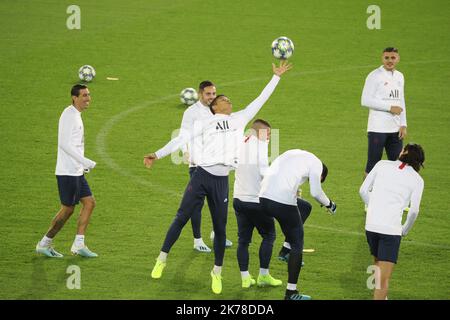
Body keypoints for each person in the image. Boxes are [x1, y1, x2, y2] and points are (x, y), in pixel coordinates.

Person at [144, 60, 292, 294]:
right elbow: (181, 139)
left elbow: (261, 99)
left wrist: (276, 77)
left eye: (228, 99)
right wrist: (158, 154)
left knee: (220, 229)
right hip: (201, 176)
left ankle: (217, 272)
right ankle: (161, 259)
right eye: (224, 99)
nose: (229, 101)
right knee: (181, 217)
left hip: (221, 181)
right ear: (215, 106)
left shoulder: (239, 118)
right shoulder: (205, 121)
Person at [259, 149, 336, 300]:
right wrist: (330, 204)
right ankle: (291, 293)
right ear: (322, 174)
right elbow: (316, 192)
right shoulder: (316, 164)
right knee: (298, 243)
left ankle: (285, 251)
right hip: (281, 201)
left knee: (305, 207)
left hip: (263, 197)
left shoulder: (297, 154)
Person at [35, 84, 98, 258]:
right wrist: (85, 161)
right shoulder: (69, 115)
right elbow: (64, 144)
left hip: (77, 170)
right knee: (67, 210)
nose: (88, 98)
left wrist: (82, 164)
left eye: (89, 95)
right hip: (67, 172)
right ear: (74, 98)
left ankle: (79, 244)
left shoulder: (76, 115)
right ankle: (44, 243)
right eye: (84, 95)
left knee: (90, 202)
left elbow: (75, 144)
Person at [359, 143, 425, 300]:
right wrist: (404, 230)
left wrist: (373, 206)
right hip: (391, 230)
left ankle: (382, 296)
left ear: (403, 152)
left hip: (371, 226)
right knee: (383, 281)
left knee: (377, 261)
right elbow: (414, 211)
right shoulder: (417, 180)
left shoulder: (382, 164)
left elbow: (362, 191)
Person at [178, 81, 232, 252]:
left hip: (218, 165)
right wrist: (186, 152)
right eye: (208, 94)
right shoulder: (191, 113)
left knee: (219, 203)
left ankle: (218, 234)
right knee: (197, 204)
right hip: (198, 165)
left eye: (214, 93)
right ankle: (197, 240)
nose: (212, 97)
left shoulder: (217, 110)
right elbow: (182, 135)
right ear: (200, 94)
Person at [233, 119, 282, 288]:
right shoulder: (260, 146)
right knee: (269, 236)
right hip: (255, 201)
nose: (269, 137)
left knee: (243, 241)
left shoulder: (241, 140)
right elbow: (264, 172)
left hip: (238, 199)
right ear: (260, 133)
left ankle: (245, 278)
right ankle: (263, 275)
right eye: (267, 133)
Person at [361, 47, 407, 180]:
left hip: (395, 129)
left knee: (397, 164)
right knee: (373, 165)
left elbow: (401, 100)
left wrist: (403, 123)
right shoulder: (374, 76)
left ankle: (392, 195)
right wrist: (389, 108)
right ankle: (367, 198)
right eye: (387, 58)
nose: (389, 61)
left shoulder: (400, 76)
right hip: (377, 128)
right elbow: (365, 100)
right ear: (382, 58)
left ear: (397, 59)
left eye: (393, 58)